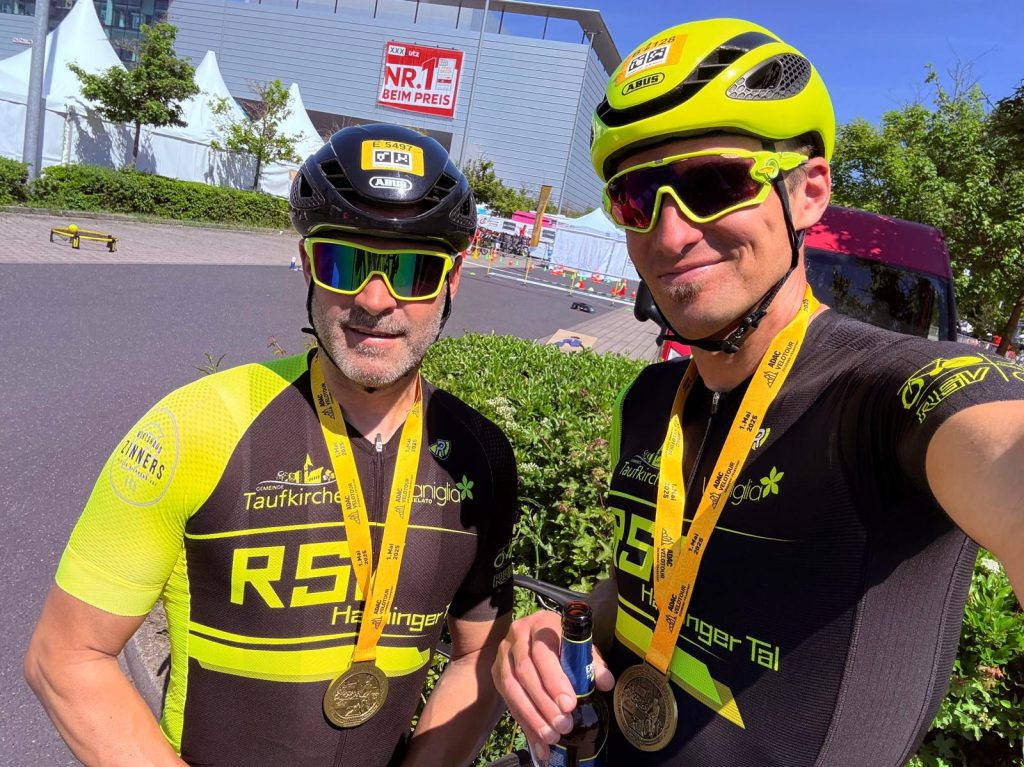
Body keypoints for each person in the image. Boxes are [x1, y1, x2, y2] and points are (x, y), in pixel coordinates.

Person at [493, 18, 1024, 766]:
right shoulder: (650, 400)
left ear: (808, 193)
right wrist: (563, 626)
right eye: (636, 198)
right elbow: (647, 581)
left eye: (713, 184)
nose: (669, 235)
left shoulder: (888, 395)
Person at [25, 123, 518, 767]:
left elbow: (479, 653)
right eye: (344, 261)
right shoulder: (195, 426)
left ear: (452, 281)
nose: (375, 299)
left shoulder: (481, 455)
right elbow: (65, 656)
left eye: (413, 270)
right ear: (308, 265)